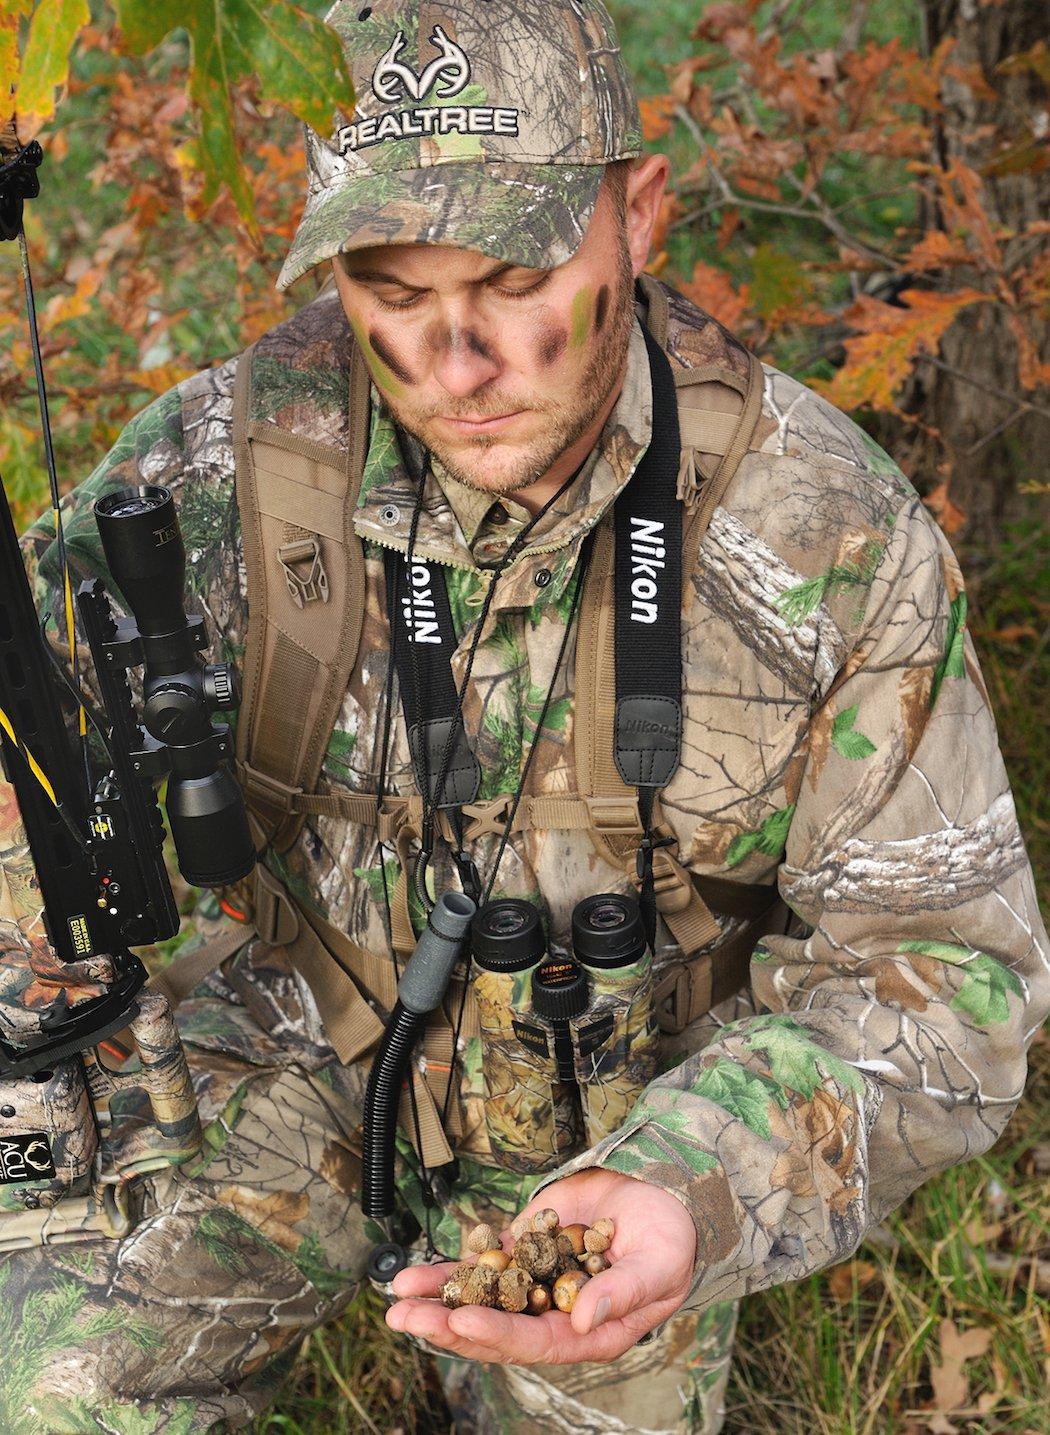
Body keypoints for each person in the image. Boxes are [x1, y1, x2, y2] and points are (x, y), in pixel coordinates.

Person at [1, 2, 1046, 1431]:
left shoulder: (823, 541)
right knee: (48, 1388)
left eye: (510, 278)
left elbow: (946, 982)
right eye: (390, 289)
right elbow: (38, 789)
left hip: (621, 1125)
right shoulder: (219, 471)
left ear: (640, 212)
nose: (454, 359)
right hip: (285, 1055)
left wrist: (691, 1184)